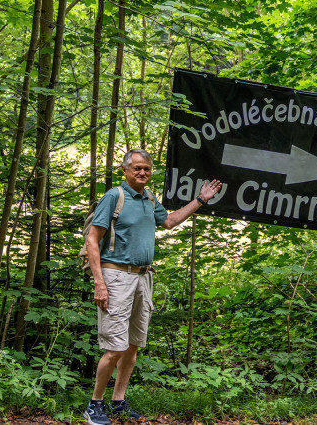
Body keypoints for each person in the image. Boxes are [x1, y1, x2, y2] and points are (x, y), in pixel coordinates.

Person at [83, 149, 222, 425]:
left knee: (133, 345)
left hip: (143, 278)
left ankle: (118, 401)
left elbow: (169, 221)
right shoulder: (114, 196)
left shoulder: (148, 197)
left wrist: (200, 200)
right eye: (136, 168)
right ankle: (94, 405)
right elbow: (92, 240)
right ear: (124, 170)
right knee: (114, 347)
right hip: (116, 276)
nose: (142, 173)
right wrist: (99, 283)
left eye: (146, 168)